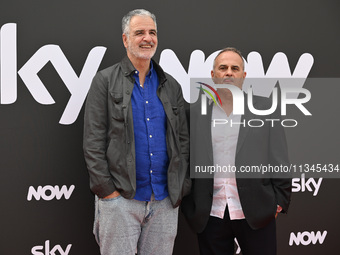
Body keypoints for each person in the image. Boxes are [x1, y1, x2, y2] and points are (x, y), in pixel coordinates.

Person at [83, 9, 190, 255]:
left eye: (152, 32)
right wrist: (107, 192)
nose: (147, 38)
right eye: (139, 32)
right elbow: (93, 141)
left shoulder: (170, 84)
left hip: (164, 201)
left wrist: (179, 187)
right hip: (121, 200)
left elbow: (182, 141)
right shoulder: (105, 81)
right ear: (125, 39)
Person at [181, 47, 291, 255]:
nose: (229, 72)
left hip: (256, 213)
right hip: (210, 215)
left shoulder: (265, 109)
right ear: (213, 76)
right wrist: (190, 205)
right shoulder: (193, 114)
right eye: (223, 68)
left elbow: (279, 159)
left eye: (235, 68)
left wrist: (278, 203)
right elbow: (185, 163)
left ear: (243, 76)